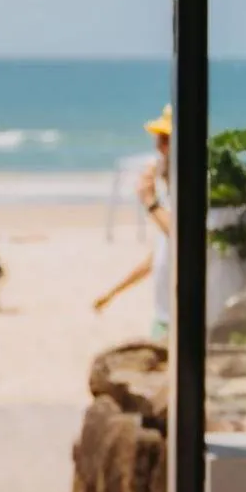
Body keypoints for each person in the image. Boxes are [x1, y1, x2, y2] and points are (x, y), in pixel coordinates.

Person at [93, 106, 171, 341]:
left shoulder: (190, 194)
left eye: (166, 140)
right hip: (164, 318)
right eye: (159, 139)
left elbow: (185, 238)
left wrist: (150, 202)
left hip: (178, 319)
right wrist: (113, 293)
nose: (159, 147)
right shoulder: (171, 196)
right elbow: (157, 257)